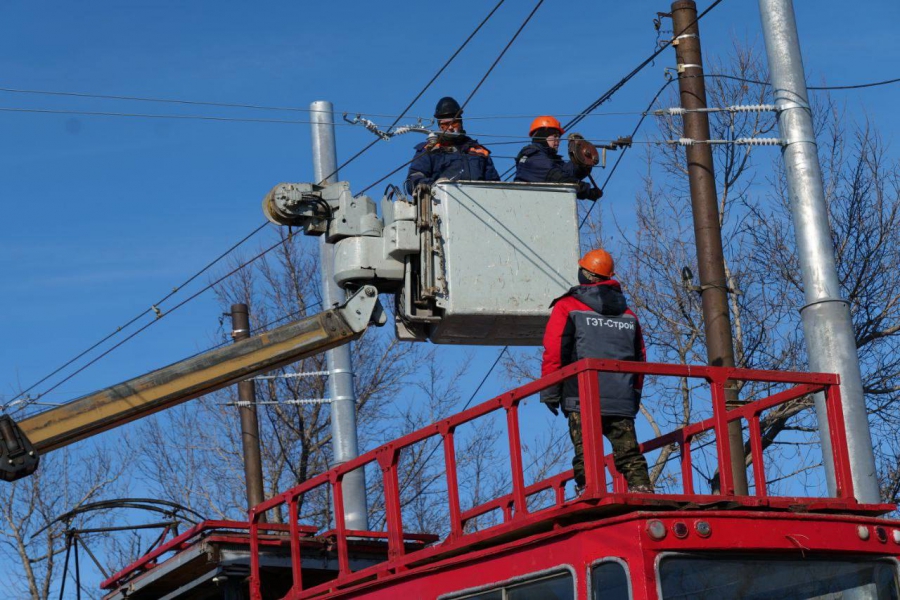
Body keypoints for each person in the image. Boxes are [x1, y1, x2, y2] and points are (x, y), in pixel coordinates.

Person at [540, 248, 652, 494]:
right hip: (620, 396)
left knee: (586, 452)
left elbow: (554, 351)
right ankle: (641, 487)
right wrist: (634, 394)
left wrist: (549, 390)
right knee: (628, 451)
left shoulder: (567, 307)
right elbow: (640, 359)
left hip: (581, 396)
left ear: (587, 275)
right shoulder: (628, 314)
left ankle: (588, 491)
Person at [405, 96, 500, 194]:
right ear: (439, 126)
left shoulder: (478, 150)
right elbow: (414, 179)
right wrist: (434, 186)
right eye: (445, 124)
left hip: (478, 203)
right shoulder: (430, 149)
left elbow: (495, 185)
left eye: (454, 123)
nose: (450, 127)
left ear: (461, 122)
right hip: (443, 203)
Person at [514, 115, 602, 201]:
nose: (558, 141)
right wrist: (588, 191)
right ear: (542, 136)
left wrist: (583, 159)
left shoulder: (552, 160)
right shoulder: (532, 156)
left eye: (559, 137)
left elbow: (569, 172)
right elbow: (559, 178)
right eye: (555, 136)